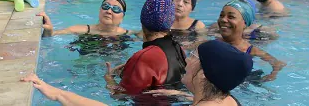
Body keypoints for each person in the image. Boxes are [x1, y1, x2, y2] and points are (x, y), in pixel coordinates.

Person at [22, 40, 253, 106]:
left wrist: (57, 94)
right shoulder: (227, 96)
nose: (187, 60)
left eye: (194, 57)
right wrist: (182, 94)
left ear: (204, 75)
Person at [104, 0, 187, 94]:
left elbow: (121, 96)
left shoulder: (143, 57)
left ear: (142, 21)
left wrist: (109, 78)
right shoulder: (178, 48)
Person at [217, 0, 285, 82]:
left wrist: (272, 75)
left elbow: (278, 63)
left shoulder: (251, 50)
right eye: (221, 15)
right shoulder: (209, 45)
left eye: (231, 17)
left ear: (245, 23)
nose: (223, 20)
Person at [38, 0, 130, 37]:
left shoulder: (129, 34)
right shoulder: (82, 30)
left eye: (116, 9)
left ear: (122, 17)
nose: (109, 11)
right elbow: (52, 35)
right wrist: (49, 30)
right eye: (105, 6)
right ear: (99, 10)